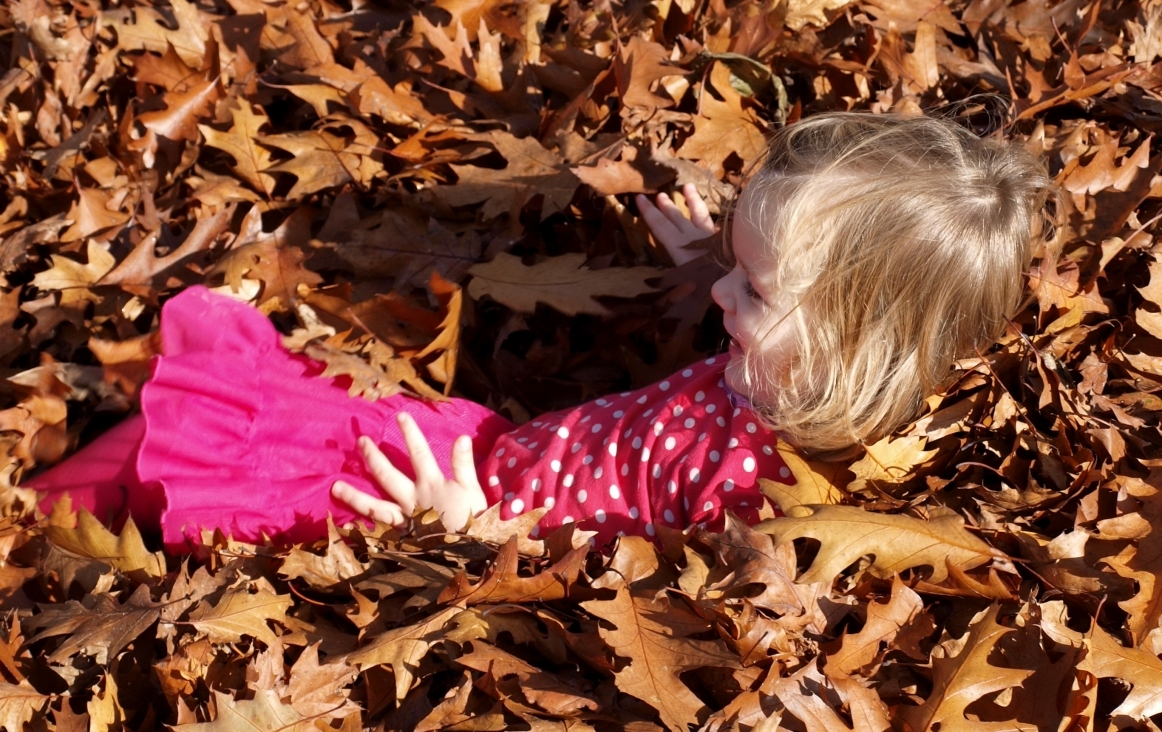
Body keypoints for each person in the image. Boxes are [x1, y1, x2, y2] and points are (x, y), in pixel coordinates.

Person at [27, 112, 1055, 551]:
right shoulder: (792, 367)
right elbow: (757, 309)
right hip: (476, 446)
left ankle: (27, 526)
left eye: (753, 288)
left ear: (859, 340)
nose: (717, 305)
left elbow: (625, 602)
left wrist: (475, 536)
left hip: (456, 509)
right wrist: (714, 256)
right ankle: (28, 510)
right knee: (253, 406)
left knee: (229, 457)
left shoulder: (763, 494)